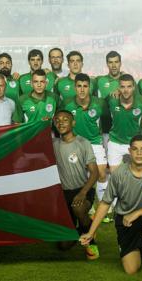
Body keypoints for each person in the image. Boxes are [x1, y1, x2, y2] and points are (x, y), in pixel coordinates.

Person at [80, 135, 142, 281]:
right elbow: (105, 203)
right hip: (125, 220)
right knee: (131, 269)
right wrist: (91, 232)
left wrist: (138, 212)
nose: (139, 153)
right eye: (135, 149)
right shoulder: (119, 174)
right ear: (129, 151)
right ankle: (141, 245)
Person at [52, 110, 99, 259]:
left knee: (78, 207)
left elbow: (95, 173)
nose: (61, 123)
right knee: (63, 246)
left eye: (65, 120)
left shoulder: (83, 143)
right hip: (64, 194)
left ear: (73, 123)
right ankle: (83, 227)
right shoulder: (53, 144)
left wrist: (83, 193)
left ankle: (92, 242)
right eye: (57, 120)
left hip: (82, 190)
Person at [61, 74, 110, 209]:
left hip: (94, 143)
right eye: (79, 86)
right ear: (74, 87)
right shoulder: (66, 103)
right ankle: (88, 204)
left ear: (90, 87)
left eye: (85, 86)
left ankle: (104, 206)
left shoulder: (100, 103)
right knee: (80, 176)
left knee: (101, 173)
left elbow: (106, 124)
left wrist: (106, 145)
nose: (82, 89)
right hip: (75, 143)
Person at [107, 74, 142, 172]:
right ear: (118, 88)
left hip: (135, 143)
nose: (126, 90)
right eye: (122, 87)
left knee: (136, 173)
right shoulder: (111, 100)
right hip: (115, 142)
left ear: (134, 87)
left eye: (129, 86)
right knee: (115, 175)